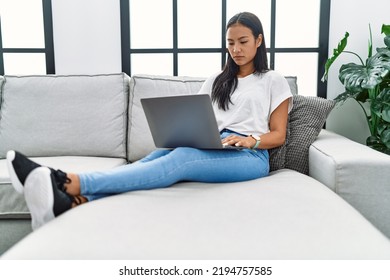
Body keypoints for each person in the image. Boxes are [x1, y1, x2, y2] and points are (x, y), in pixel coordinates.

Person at [7, 12, 292, 230]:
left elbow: (278, 134)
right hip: (214, 143)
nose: (236, 49)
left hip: (249, 155)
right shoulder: (217, 80)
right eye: (230, 43)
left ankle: (68, 182)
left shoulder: (272, 80)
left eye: (243, 42)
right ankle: (69, 205)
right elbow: (197, 115)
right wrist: (189, 132)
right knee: (152, 158)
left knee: (180, 159)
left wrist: (250, 139)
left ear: (258, 40)